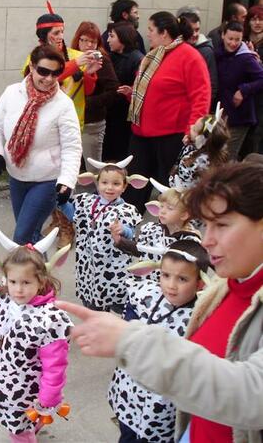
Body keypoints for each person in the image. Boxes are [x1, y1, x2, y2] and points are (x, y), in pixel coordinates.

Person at [56, 161, 263, 443]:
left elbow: (251, 395)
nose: (208, 240)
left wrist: (132, 341)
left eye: (222, 225)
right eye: (207, 225)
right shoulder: (230, 286)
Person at [0, 228, 72, 443]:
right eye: (13, 282)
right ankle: (36, 423)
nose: (18, 290)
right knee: (22, 423)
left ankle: (29, 430)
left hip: (25, 391)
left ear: (41, 281)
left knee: (18, 431)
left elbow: (55, 364)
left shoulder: (49, 320)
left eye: (26, 283)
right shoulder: (4, 302)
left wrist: (49, 397)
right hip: (0, 380)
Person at [108, 240, 209, 442]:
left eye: (182, 279)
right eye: (165, 275)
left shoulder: (200, 319)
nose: (171, 285)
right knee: (126, 435)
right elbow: (126, 332)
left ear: (200, 283)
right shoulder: (144, 296)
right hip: (129, 392)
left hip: (162, 407)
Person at [0, 44, 82, 245]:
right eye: (43, 71)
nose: (48, 79)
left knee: (22, 237)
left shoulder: (63, 104)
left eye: (55, 73)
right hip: (16, 177)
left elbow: (72, 146)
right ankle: (40, 276)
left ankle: (21, 276)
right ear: (31, 67)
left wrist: (66, 181)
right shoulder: (12, 92)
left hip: (46, 181)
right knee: (32, 238)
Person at [123, 11, 211, 213]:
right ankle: (127, 227)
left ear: (164, 33)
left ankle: (169, 231)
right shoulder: (154, 54)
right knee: (135, 186)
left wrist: (193, 130)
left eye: (151, 30)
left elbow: (201, 96)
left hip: (171, 135)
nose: (148, 34)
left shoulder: (189, 56)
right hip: (141, 133)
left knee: (169, 188)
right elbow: (150, 90)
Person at [59, 157, 144, 311]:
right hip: (88, 262)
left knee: (115, 301)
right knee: (91, 302)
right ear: (97, 184)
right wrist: (62, 202)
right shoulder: (87, 202)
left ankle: (117, 321)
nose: (109, 188)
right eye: (104, 183)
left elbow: (131, 234)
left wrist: (122, 230)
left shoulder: (127, 210)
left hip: (113, 267)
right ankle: (96, 322)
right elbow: (73, 216)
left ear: (124, 187)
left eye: (116, 183)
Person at [22, 3, 101, 129]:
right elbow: (37, 83)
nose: (61, 37)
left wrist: (89, 74)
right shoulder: (34, 57)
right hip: (44, 121)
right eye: (56, 33)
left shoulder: (76, 55)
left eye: (62, 32)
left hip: (72, 120)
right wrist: (75, 65)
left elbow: (87, 91)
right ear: (44, 35)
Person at [112, 183, 201, 281]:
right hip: (146, 284)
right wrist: (120, 241)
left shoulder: (190, 241)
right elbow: (142, 251)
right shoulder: (152, 229)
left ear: (184, 215)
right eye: (162, 206)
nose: (162, 211)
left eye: (170, 208)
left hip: (171, 289)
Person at [70, 21, 119, 167]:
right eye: (84, 40)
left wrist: (88, 103)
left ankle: (96, 191)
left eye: (93, 41)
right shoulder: (72, 58)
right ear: (77, 40)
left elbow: (113, 90)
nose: (89, 45)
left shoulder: (101, 60)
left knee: (93, 167)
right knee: (73, 167)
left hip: (92, 123)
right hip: (71, 121)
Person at [215, 21, 263, 160]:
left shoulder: (246, 58)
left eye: (238, 39)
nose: (233, 43)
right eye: (230, 39)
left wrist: (243, 90)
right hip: (221, 114)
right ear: (223, 35)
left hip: (240, 116)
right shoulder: (217, 54)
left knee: (227, 157)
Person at [104, 21, 144, 161]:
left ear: (122, 37)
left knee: (121, 155)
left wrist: (131, 91)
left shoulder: (137, 59)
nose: (108, 40)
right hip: (109, 112)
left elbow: (142, 90)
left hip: (124, 117)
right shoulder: (109, 56)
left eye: (111, 36)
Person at [169, 107, 229, 190]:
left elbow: (181, 184)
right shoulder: (215, 154)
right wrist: (190, 144)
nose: (191, 126)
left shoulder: (196, 161)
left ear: (200, 139)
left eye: (194, 129)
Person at [177, 8, 218, 112]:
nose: (194, 34)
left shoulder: (206, 51)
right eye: (191, 30)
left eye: (197, 30)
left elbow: (211, 86)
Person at [243, 5, 263, 154]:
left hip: (260, 98)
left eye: (260, 20)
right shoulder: (241, 40)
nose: (257, 23)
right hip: (243, 95)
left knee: (256, 136)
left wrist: (259, 63)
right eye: (254, 19)